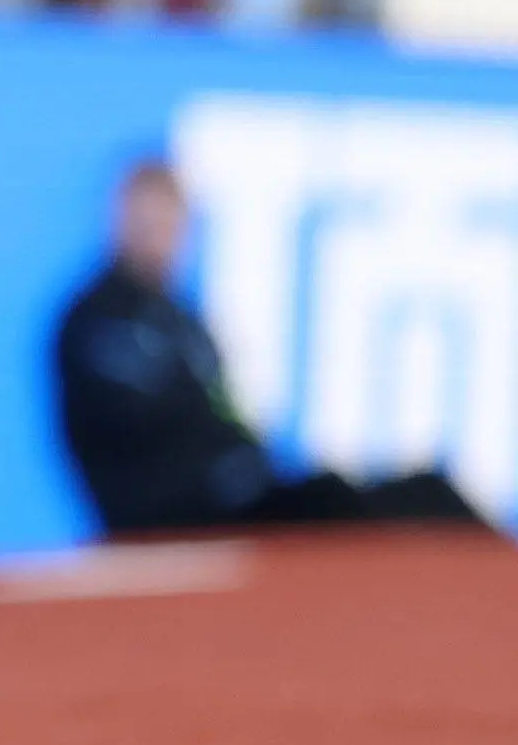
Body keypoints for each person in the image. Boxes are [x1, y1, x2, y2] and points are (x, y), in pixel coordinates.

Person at [55, 161, 491, 536]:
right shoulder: (96, 320)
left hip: (241, 494)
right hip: (176, 517)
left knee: (425, 493)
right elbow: (142, 432)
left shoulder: (182, 318)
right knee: (336, 506)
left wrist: (248, 460)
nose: (159, 236)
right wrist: (229, 468)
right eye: (146, 220)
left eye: (170, 221)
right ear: (119, 218)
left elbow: (224, 408)